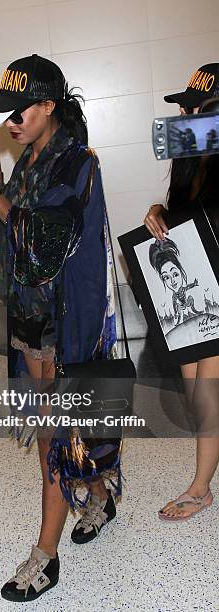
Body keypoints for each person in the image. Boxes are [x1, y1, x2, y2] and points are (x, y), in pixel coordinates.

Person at [0, 54, 120, 601]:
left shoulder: (78, 163)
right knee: (67, 426)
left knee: (55, 431)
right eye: (6, 114)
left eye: (20, 111)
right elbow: (11, 238)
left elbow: (45, 240)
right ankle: (98, 491)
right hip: (32, 316)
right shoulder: (29, 161)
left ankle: (45, 555)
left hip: (66, 319)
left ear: (49, 106)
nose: (11, 122)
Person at [144, 62, 219, 521]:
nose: (186, 110)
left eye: (197, 105)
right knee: (196, 394)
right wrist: (158, 211)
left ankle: (200, 489)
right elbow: (183, 217)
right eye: (185, 104)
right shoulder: (189, 156)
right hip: (203, 285)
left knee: (207, 394)